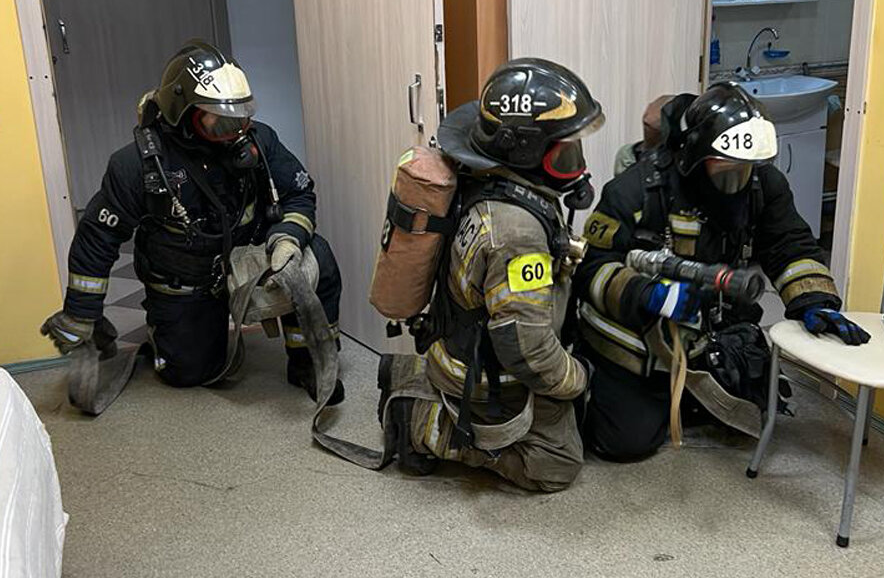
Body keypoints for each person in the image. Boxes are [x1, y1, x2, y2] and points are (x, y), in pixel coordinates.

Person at [572, 82, 867, 461]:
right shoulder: (636, 190)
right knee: (626, 445)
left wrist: (814, 301)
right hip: (639, 335)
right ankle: (609, 380)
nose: (738, 182)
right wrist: (649, 294)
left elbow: (790, 244)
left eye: (746, 170)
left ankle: (688, 387)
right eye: (727, 171)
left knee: (753, 415)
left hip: (713, 324)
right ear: (694, 158)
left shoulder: (762, 184)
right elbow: (593, 268)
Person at [40, 40, 342, 401]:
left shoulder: (260, 140)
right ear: (182, 113)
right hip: (188, 284)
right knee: (189, 374)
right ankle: (166, 332)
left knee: (317, 256)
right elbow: (98, 236)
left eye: (241, 117)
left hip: (249, 262)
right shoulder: (136, 165)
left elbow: (299, 193)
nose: (236, 131)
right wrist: (81, 313)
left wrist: (288, 238)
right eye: (220, 122)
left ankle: (307, 361)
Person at [380, 58, 603, 492]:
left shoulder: (489, 173)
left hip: (465, 340)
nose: (577, 165)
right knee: (556, 464)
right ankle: (419, 420)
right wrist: (578, 379)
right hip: (485, 372)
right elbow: (526, 350)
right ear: (524, 151)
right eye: (564, 152)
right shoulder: (516, 234)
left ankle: (411, 376)